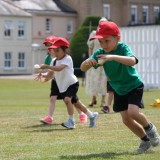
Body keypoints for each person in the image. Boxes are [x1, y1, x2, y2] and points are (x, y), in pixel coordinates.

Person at [80, 20, 160, 153]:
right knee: (126, 120)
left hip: (133, 85)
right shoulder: (100, 52)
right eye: (101, 41)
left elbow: (133, 61)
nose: (103, 45)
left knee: (133, 112)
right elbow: (83, 68)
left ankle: (150, 129)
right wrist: (88, 62)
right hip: (119, 89)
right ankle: (145, 141)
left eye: (107, 41)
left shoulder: (122, 48)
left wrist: (112, 57)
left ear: (117, 38)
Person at [39, 37, 99, 129]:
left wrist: (47, 66)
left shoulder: (67, 58)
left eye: (57, 50)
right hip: (63, 87)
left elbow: (59, 69)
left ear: (64, 50)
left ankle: (71, 121)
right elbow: (50, 74)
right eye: (54, 50)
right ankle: (92, 116)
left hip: (72, 84)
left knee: (67, 100)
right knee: (77, 104)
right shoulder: (53, 61)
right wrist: (42, 75)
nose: (55, 52)